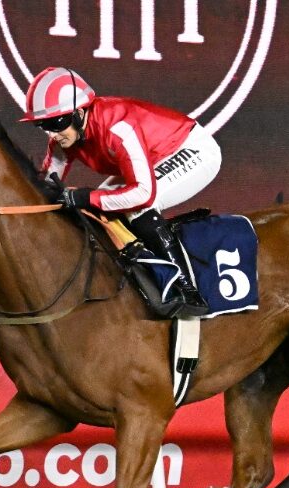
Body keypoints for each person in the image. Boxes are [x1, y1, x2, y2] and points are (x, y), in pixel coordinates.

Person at [19, 66, 222, 317]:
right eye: (43, 125)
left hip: (191, 149)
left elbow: (143, 194)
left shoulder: (117, 129)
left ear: (79, 113)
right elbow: (46, 187)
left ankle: (187, 290)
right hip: (154, 156)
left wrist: (85, 196)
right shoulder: (64, 136)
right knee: (104, 209)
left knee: (135, 208)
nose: (52, 133)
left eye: (56, 123)